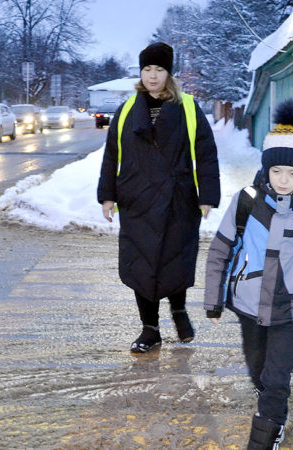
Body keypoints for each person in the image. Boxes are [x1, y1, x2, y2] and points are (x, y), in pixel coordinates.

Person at [204, 99, 293, 450]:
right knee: (258, 371)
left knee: (276, 377)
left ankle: (267, 432)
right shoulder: (246, 201)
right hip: (249, 305)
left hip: (290, 310)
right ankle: (271, 399)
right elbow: (222, 250)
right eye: (277, 170)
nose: (284, 180)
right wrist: (214, 300)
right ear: (266, 167)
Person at [97, 42, 220, 353]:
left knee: (174, 260)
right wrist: (107, 196)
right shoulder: (126, 109)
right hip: (136, 198)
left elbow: (206, 154)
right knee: (142, 264)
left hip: (179, 197)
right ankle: (150, 330)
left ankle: (178, 312)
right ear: (141, 73)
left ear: (169, 73)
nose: (152, 76)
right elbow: (112, 155)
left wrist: (207, 196)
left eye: (159, 69)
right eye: (147, 69)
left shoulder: (189, 108)